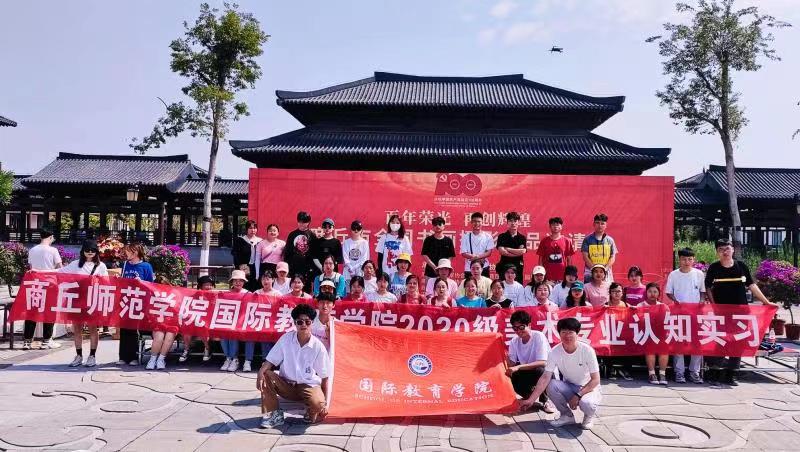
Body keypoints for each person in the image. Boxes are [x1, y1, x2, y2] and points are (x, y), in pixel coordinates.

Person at [705, 239, 777, 386]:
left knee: (738, 341)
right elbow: (708, 287)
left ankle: (732, 374)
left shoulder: (741, 266)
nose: (725, 252)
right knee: (720, 340)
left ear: (733, 250)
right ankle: (715, 372)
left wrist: (766, 302)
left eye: (727, 248)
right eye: (721, 249)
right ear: (717, 252)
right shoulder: (714, 268)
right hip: (721, 312)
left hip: (741, 312)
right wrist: (714, 305)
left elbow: (752, 285)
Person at [520, 317, 602, 430]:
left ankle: (588, 417)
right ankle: (566, 416)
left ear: (577, 333)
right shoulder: (555, 352)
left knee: (587, 404)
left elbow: (595, 380)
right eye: (563, 332)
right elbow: (545, 377)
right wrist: (531, 400)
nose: (567, 336)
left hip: (589, 388)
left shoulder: (587, 350)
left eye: (571, 332)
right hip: (570, 386)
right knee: (551, 384)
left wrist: (578, 395)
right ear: (559, 334)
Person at [257, 303, 330, 428]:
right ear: (295, 323)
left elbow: (325, 377)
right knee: (266, 374)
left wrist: (325, 403)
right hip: (287, 385)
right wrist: (260, 373)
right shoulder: (286, 339)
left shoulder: (318, 346)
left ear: (312, 323)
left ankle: (310, 412)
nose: (303, 325)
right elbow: (270, 361)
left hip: (308, 386)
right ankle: (274, 415)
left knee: (318, 404)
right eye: (299, 322)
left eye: (307, 322)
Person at [61, 240, 107, 367]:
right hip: (77, 299)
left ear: (96, 251)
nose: (90, 252)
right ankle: (79, 355)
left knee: (93, 328)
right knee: (77, 328)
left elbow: (107, 283)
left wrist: (99, 281)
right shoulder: (75, 264)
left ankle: (92, 356)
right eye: (87, 250)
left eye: (93, 250)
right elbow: (59, 271)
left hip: (92, 300)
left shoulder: (101, 266)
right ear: (83, 251)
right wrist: (37, 271)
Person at [666, 248, 706, 384]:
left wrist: (701, 301)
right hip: (678, 314)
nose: (687, 262)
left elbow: (702, 291)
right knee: (679, 342)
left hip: (695, 314)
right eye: (684, 259)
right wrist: (676, 301)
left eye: (690, 259)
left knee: (697, 343)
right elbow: (668, 292)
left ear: (694, 260)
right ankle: (679, 372)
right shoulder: (673, 275)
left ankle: (694, 372)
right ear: (679, 260)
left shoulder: (699, 274)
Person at [507, 310, 554, 413]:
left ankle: (545, 400)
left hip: (547, 372)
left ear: (529, 325)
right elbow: (512, 364)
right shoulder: (514, 341)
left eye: (521, 327)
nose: (518, 331)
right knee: (509, 374)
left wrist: (518, 367)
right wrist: (504, 355)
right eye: (515, 328)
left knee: (541, 370)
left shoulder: (538, 336)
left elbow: (543, 362)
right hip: (528, 371)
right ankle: (528, 396)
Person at [23, 230, 63, 350]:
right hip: (50, 284)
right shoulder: (53, 250)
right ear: (51, 237)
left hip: (35, 284)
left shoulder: (32, 250)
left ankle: (27, 341)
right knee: (49, 311)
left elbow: (31, 268)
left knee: (32, 311)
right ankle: (47, 341)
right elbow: (60, 268)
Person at [118, 243, 154, 366]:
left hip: (139, 301)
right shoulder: (125, 265)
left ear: (136, 252)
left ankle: (133, 356)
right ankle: (123, 357)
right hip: (125, 300)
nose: (126, 253)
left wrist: (141, 282)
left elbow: (151, 285)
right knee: (124, 329)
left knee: (134, 330)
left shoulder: (146, 266)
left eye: (128, 251)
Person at [638, 282, 669, 385]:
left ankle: (662, 374)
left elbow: (668, 321)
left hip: (660, 334)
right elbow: (639, 320)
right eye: (650, 291)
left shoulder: (663, 306)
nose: (652, 294)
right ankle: (651, 374)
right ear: (646, 293)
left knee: (664, 347)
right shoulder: (641, 305)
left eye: (655, 291)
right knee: (650, 346)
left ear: (659, 293)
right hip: (646, 334)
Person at [146, 276, 179, 371]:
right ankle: (152, 359)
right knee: (159, 337)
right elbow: (148, 310)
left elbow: (178, 308)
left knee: (169, 336)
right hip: (158, 322)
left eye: (164, 285)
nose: (162, 287)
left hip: (171, 322)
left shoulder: (174, 293)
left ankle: (161, 359)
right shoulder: (152, 295)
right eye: (159, 285)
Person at [603, 282, 633, 381]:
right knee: (606, 345)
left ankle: (625, 370)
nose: (616, 293)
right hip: (609, 332)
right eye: (613, 291)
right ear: (610, 293)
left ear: (622, 293)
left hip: (623, 332)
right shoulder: (605, 305)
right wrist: (603, 310)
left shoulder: (627, 305)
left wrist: (634, 310)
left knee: (630, 345)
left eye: (618, 291)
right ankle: (610, 369)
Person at [220, 270, 249, 372]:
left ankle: (235, 359)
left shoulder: (248, 294)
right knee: (222, 333)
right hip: (228, 320)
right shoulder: (226, 294)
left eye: (240, 280)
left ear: (244, 282)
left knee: (233, 332)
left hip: (242, 322)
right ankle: (228, 358)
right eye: (235, 280)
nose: (238, 282)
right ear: (232, 282)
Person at [180, 275, 213, 363]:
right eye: (206, 285)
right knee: (187, 326)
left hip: (208, 321)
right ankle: (186, 349)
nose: (209, 287)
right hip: (195, 318)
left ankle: (207, 348)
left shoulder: (214, 296)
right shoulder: (194, 295)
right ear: (200, 286)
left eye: (210, 285)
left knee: (201, 325)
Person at [283, 211, 317, 292]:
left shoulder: (312, 235)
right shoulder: (292, 234)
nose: (301, 224)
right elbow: (287, 253)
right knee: (293, 290)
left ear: (308, 222)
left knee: (306, 291)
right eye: (299, 221)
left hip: (307, 269)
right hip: (293, 268)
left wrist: (312, 269)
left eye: (304, 222)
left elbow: (314, 254)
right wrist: (288, 267)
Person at [581, 213, 617, 282]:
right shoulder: (587, 239)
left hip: (606, 272)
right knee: (589, 288)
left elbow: (612, 257)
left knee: (607, 288)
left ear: (606, 225)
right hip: (590, 272)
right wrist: (594, 269)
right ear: (593, 224)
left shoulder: (610, 240)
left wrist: (605, 269)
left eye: (602, 223)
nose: (600, 225)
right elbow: (585, 257)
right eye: (597, 223)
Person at [538, 217, 575, 283]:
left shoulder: (567, 241)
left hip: (562, 276)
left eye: (557, 224)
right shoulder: (544, 241)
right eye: (553, 224)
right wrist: (541, 272)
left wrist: (569, 273)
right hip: (548, 276)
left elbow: (569, 259)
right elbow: (540, 258)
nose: (555, 226)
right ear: (550, 226)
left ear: (561, 226)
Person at [421, 216, 456, 285]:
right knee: (429, 291)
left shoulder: (448, 240)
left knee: (443, 289)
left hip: (444, 272)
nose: (437, 226)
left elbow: (451, 256)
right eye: (435, 224)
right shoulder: (428, 240)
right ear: (433, 227)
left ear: (444, 226)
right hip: (430, 271)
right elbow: (424, 254)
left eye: (440, 224)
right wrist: (434, 267)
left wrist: (444, 266)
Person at [231, 220, 263, 292]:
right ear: (246, 229)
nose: (253, 230)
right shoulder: (240, 240)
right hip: (244, 268)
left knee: (256, 288)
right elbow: (235, 255)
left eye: (254, 228)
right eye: (250, 228)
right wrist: (240, 266)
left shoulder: (260, 241)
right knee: (244, 288)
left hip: (256, 268)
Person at [460, 212, 493, 277]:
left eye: (479, 221)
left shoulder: (488, 236)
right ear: (471, 222)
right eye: (474, 221)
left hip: (484, 267)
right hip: (469, 268)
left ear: (482, 222)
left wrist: (477, 257)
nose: (477, 223)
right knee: (470, 284)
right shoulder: (466, 236)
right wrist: (478, 258)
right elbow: (464, 253)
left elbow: (489, 252)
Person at [496, 212, 527, 283]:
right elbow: (502, 252)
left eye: (515, 221)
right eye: (510, 221)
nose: (513, 223)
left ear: (519, 222)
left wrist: (508, 249)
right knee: (503, 287)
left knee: (518, 286)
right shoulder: (502, 236)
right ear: (507, 222)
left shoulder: (522, 237)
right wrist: (516, 253)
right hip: (504, 267)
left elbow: (522, 251)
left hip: (518, 267)